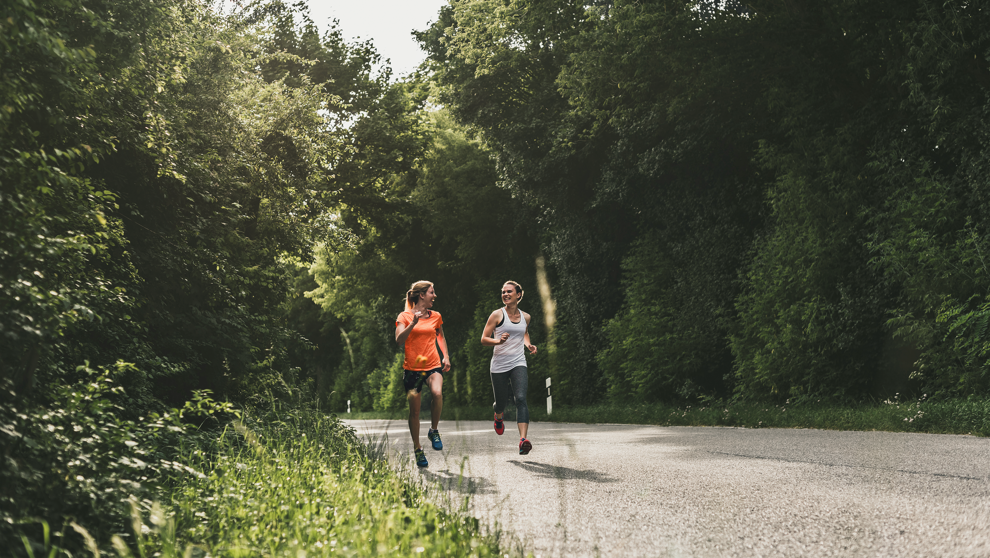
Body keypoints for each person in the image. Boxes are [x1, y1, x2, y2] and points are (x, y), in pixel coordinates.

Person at [395, 280, 451, 468]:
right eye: (431, 293)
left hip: (433, 365)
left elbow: (440, 335)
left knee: (437, 393)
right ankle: (418, 449)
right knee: (415, 412)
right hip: (412, 369)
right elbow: (399, 340)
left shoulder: (436, 316)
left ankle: (434, 430)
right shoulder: (404, 316)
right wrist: (413, 323)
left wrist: (446, 356)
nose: (434, 296)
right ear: (422, 295)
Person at [481, 280, 537, 455]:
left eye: (509, 291)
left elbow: (524, 332)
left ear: (518, 295)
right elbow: (484, 338)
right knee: (502, 403)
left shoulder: (525, 316)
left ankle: (523, 440)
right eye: (503, 292)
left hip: (518, 362)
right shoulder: (497, 315)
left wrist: (528, 345)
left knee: (520, 398)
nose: (505, 294)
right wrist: (498, 341)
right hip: (499, 365)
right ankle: (498, 416)